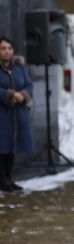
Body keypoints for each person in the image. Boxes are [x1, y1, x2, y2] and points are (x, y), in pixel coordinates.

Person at [0, 37, 33, 192]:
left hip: (16, 114)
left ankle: (9, 178)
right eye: (3, 48)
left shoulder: (18, 67)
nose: (7, 51)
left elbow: (28, 84)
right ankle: (2, 180)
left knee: (12, 147)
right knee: (2, 146)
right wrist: (9, 94)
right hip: (2, 114)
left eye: (9, 48)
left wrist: (23, 94)